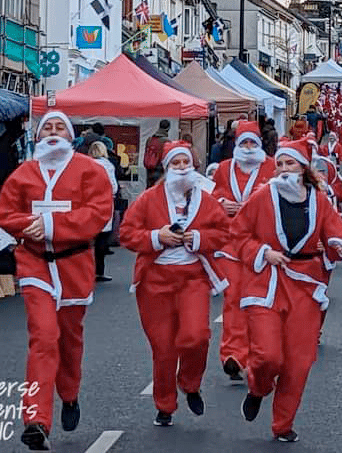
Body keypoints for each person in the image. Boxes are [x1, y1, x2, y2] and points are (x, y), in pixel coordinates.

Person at [0, 111, 112, 450]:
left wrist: (51, 225)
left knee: (69, 341)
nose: (52, 132)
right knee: (44, 338)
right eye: (46, 127)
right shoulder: (23, 174)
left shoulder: (90, 171)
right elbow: (6, 213)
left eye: (58, 126)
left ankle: (70, 393)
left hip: (74, 265)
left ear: (71, 134)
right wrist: (28, 226)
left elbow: (98, 213)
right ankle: (36, 419)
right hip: (34, 265)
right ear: (37, 135)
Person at [231, 138, 342, 442]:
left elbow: (339, 236)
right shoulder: (263, 197)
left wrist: (338, 247)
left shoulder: (319, 200)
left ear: (303, 168)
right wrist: (262, 252)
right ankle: (259, 386)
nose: (284, 169)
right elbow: (237, 234)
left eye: (291, 163)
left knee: (298, 362)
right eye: (280, 164)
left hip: (305, 285)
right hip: (267, 282)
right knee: (267, 356)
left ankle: (282, 425)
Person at [119, 141, 230, 427]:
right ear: (166, 168)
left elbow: (222, 232)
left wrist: (200, 239)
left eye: (185, 163)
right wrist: (157, 237)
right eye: (175, 164)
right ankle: (165, 404)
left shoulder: (206, 201)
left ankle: (190, 383)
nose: (181, 168)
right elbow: (128, 233)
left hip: (193, 277)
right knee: (163, 348)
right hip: (155, 282)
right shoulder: (147, 199)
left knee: (197, 336)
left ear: (194, 166)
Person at [213, 121, 276, 381]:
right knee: (233, 299)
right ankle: (233, 355)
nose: (248, 148)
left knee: (258, 302)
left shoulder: (272, 166)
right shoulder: (224, 169)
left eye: (253, 143)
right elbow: (211, 197)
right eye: (244, 143)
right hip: (230, 245)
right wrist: (220, 203)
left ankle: (255, 354)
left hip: (261, 246)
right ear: (236, 145)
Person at [88, 141, 118, 282]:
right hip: (104, 204)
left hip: (87, 204)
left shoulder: (85, 164)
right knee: (102, 238)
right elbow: (113, 186)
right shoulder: (107, 165)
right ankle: (99, 271)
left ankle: (86, 270)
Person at [144, 120, 171, 188]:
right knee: (158, 189)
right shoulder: (166, 142)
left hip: (149, 168)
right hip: (160, 169)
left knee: (149, 189)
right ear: (168, 128)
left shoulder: (149, 139)